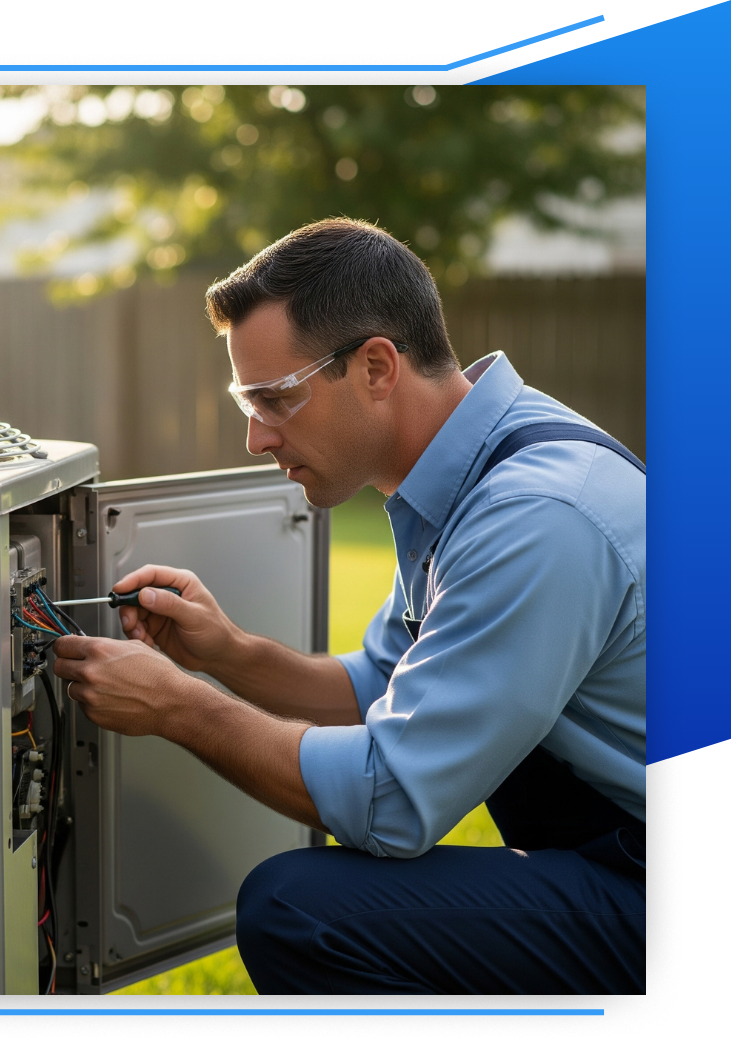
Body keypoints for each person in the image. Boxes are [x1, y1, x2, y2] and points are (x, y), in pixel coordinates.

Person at [52, 218, 645, 995]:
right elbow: (380, 685)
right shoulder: (479, 472)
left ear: (375, 367)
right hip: (612, 848)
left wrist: (179, 707)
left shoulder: (534, 515)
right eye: (247, 401)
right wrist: (226, 654)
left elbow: (390, 801)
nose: (256, 438)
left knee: (300, 911)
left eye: (274, 399)